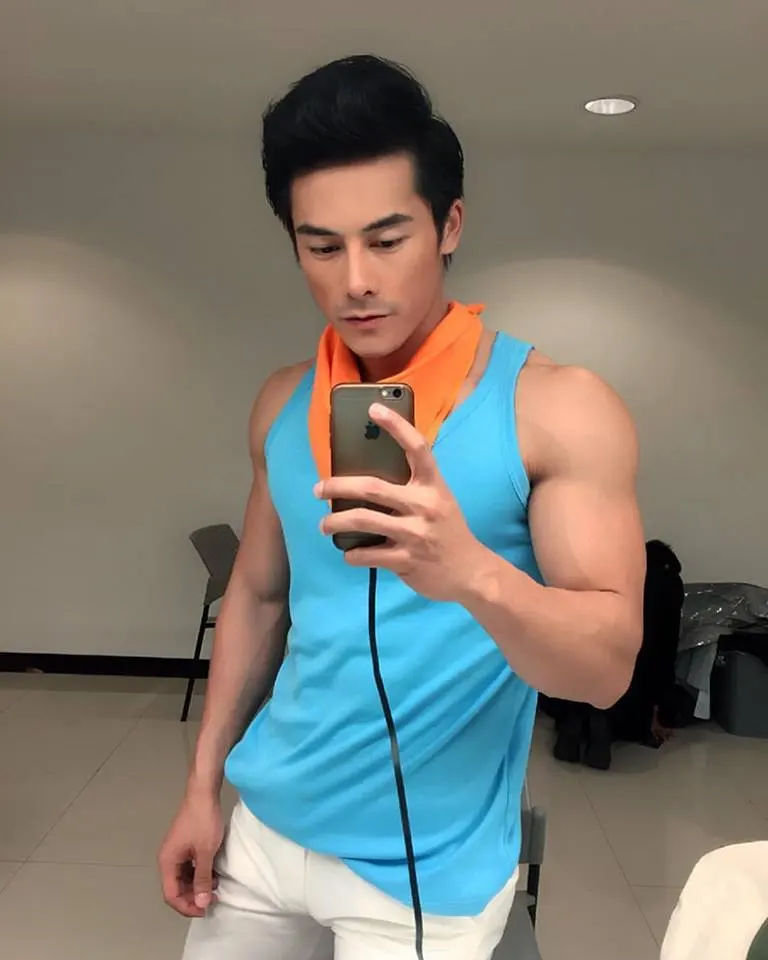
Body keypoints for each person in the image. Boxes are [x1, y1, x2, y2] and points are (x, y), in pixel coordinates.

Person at [158, 54, 645, 960]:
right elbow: (258, 598)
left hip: (425, 864)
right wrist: (201, 787)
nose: (355, 280)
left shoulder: (557, 408)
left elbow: (607, 672)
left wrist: (473, 574)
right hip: (265, 831)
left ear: (449, 224)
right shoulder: (282, 403)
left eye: (387, 241)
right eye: (322, 246)